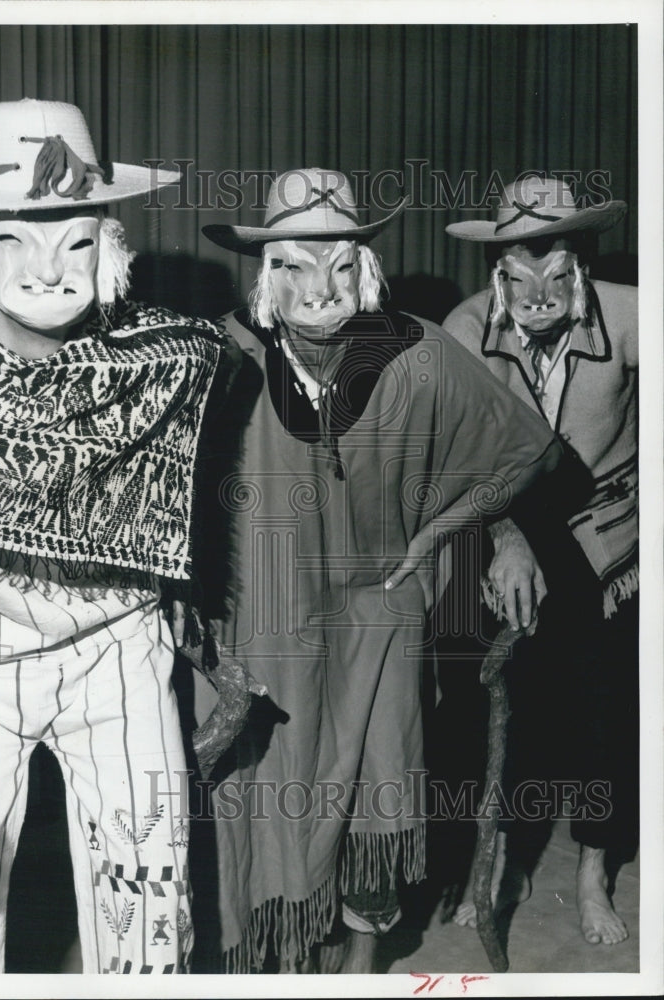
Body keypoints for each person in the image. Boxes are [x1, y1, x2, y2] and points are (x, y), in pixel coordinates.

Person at [196, 168, 564, 972]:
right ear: (268, 275)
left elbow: (520, 450)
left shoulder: (418, 352)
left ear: (364, 269)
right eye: (294, 265)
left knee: (378, 786)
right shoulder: (222, 358)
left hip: (380, 615)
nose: (318, 288)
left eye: (338, 264)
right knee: (264, 798)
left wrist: (450, 533)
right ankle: (275, 956)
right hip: (266, 617)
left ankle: (362, 960)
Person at [0, 98, 224, 974]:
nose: (45, 268)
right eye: (13, 239)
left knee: (151, 891)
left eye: (73, 240)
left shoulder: (170, 367)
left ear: (110, 252)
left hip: (117, 650)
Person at [443, 174, 638, 946]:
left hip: (613, 531)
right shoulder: (463, 328)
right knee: (492, 701)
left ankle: (592, 869)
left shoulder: (632, 317)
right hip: (506, 524)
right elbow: (456, 455)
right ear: (495, 269)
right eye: (515, 272)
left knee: (607, 708)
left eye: (552, 268)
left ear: (579, 259)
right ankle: (497, 858)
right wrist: (504, 539)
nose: (536, 290)